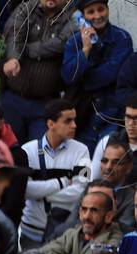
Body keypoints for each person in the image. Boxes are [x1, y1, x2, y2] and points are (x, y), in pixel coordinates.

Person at [0, 0, 77, 144]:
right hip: (14, 99)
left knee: (40, 153)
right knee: (11, 151)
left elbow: (61, 43)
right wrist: (14, 57)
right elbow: (14, 34)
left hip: (45, 104)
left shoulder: (73, 15)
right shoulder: (26, 8)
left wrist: (27, 49)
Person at [18, 100, 92, 250]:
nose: (74, 125)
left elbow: (82, 190)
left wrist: (40, 196)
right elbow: (23, 189)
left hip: (65, 232)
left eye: (74, 120)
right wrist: (63, 183)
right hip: (31, 231)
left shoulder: (82, 150)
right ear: (51, 124)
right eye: (68, 121)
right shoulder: (26, 151)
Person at [63, 0, 131, 149]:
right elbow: (69, 76)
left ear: (107, 10)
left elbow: (110, 74)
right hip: (83, 116)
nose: (97, 16)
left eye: (101, 10)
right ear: (83, 16)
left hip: (112, 115)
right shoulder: (73, 42)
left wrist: (82, 78)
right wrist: (86, 50)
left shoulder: (122, 38)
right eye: (91, 12)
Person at [39, 189, 124, 254]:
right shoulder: (73, 233)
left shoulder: (115, 241)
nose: (87, 216)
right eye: (84, 210)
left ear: (108, 216)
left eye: (94, 211)